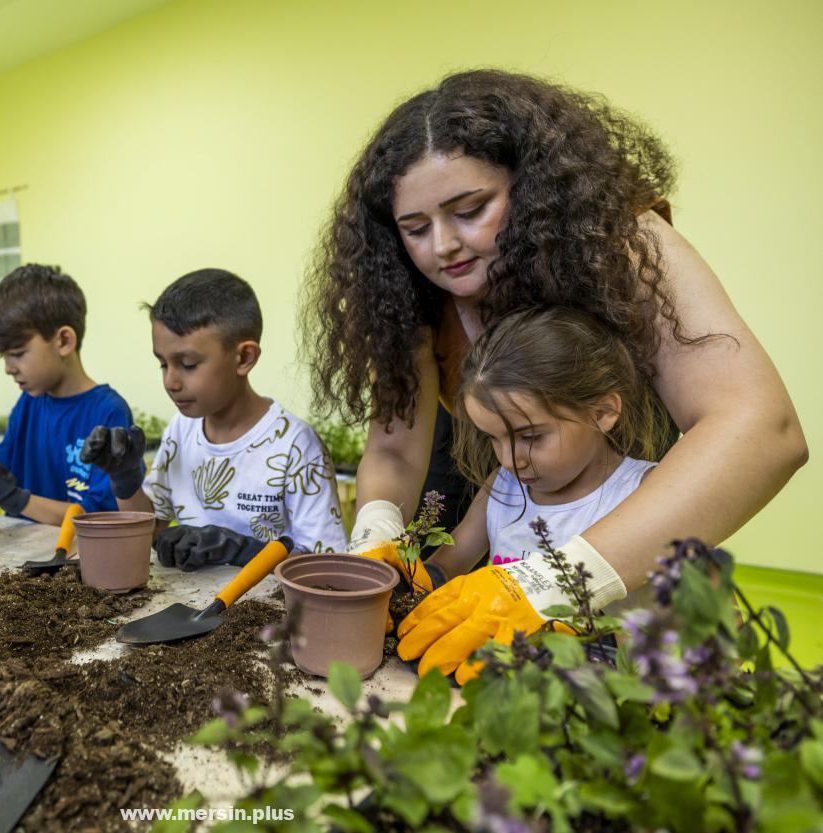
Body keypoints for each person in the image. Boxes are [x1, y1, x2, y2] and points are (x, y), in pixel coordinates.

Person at [303, 69, 806, 671]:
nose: (442, 247)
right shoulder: (409, 289)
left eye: (471, 210)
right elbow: (395, 451)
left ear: (534, 189)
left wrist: (552, 582)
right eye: (415, 228)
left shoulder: (623, 243)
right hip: (493, 498)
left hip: (619, 507)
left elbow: (760, 431)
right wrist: (376, 539)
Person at [392, 309, 667, 682]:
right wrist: (396, 584)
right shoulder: (502, 488)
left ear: (603, 412)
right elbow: (444, 566)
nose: (508, 460)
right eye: (493, 438)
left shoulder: (647, 493)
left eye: (530, 437)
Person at [82, 269, 347, 568]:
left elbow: (330, 568)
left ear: (244, 358)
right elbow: (147, 534)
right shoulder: (181, 430)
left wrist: (244, 551)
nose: (171, 381)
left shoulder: (295, 447)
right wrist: (126, 480)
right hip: (189, 606)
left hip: (269, 610)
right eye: (162, 364)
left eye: (188, 364)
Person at [0, 264, 136, 524]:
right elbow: (3, 467)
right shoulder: (30, 402)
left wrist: (19, 501)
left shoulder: (107, 412)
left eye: (18, 354)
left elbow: (103, 518)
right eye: (3, 356)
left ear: (64, 341)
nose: (9, 368)